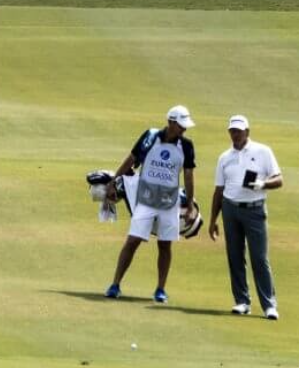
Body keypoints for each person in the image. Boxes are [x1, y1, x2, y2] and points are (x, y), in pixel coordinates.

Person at [104, 106, 197, 303]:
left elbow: (189, 175)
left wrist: (189, 204)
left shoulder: (186, 146)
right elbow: (131, 159)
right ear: (171, 122)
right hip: (145, 201)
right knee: (132, 241)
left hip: (169, 204)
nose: (184, 130)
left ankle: (160, 289)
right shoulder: (150, 136)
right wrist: (113, 181)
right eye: (181, 126)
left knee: (165, 245)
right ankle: (115, 284)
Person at [208, 115, 283, 319]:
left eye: (239, 131)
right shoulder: (224, 157)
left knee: (259, 258)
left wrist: (262, 184)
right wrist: (213, 219)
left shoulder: (262, 151)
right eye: (232, 131)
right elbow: (218, 189)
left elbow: (279, 179)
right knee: (235, 257)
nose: (236, 134)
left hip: (255, 210)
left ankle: (269, 305)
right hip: (230, 209)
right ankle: (242, 301)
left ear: (247, 132)